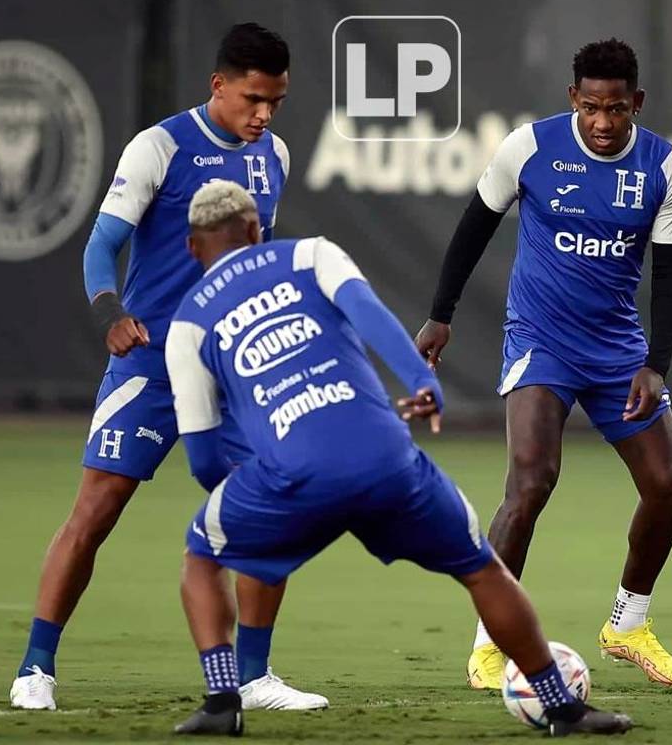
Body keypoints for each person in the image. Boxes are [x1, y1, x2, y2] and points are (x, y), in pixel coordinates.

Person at [164, 181, 633, 737]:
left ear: (193, 248)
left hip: (291, 475)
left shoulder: (187, 326)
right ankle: (561, 706)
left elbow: (203, 459)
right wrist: (419, 381)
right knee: (482, 568)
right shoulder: (311, 253)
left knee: (201, 554)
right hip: (385, 458)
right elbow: (370, 315)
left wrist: (256, 501)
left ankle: (223, 699)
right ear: (254, 228)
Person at [10, 23, 326, 712]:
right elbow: (101, 247)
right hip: (151, 364)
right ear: (218, 86)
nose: (264, 114)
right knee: (95, 510)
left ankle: (254, 675)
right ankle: (36, 667)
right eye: (252, 99)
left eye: (275, 100)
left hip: (238, 376)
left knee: (273, 511)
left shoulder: (274, 155)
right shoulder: (159, 147)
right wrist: (110, 316)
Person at [415, 38, 672, 690]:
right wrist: (440, 313)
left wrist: (656, 365)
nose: (603, 122)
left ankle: (628, 626)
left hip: (618, 350)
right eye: (592, 106)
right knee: (531, 483)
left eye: (617, 109)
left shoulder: (665, 167)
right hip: (541, 341)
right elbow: (474, 226)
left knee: (669, 485)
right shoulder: (530, 149)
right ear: (574, 98)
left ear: (637, 104)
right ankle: (491, 643)